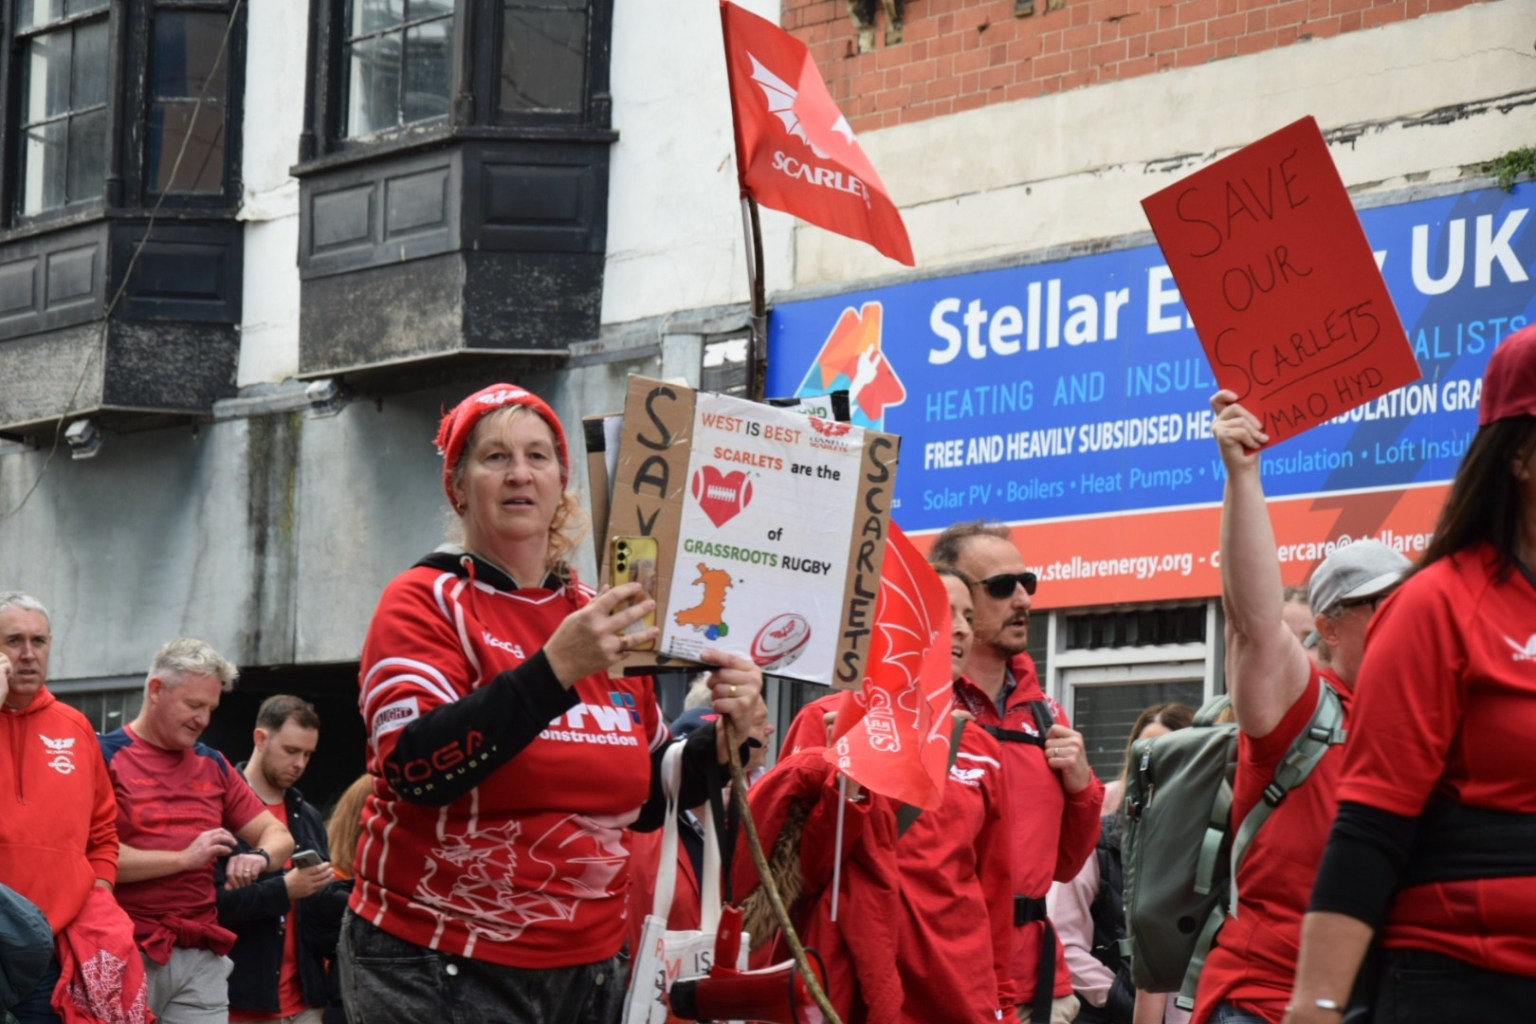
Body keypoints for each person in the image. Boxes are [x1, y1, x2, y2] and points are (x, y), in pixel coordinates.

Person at [338, 383, 766, 1024]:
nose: (519, 475)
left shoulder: (605, 613)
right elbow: (413, 769)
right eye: (494, 458)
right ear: (457, 487)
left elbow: (645, 802)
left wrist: (722, 743)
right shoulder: (423, 598)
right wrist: (555, 670)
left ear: (564, 482)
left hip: (588, 965)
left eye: (538, 457)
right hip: (436, 958)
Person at [1284, 325, 1536, 1023]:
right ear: (1518, 454)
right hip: (1461, 983)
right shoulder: (1438, 606)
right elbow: (1372, 825)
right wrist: (1317, 1005)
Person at [1193, 390, 1412, 1024]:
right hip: (1267, 1005)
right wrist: (1243, 475)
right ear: (1330, 627)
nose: (1405, 616)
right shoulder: (1304, 707)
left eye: (1412, 600)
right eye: (1382, 605)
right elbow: (1254, 621)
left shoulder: (1426, 722)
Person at [735, 565, 1017, 1022]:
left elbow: (993, 887)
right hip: (847, 976)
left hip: (953, 984)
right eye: (945, 614)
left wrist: (1002, 997)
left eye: (968, 615)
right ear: (898, 623)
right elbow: (800, 868)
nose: (963, 629)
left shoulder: (981, 747)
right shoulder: (825, 720)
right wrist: (845, 771)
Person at [929, 521, 1104, 1024]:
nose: (1023, 600)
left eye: (1027, 583)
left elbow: (1066, 867)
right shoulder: (920, 711)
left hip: (1037, 987)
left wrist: (1081, 789)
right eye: (1003, 588)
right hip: (945, 978)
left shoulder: (1047, 714)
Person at [102, 639, 295, 1024]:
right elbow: (94, 859)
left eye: (211, 708)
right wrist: (184, 859)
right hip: (125, 948)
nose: (203, 720)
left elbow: (280, 836)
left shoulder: (213, 763)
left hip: (201, 952)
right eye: (193, 705)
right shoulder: (105, 755)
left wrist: (258, 858)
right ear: (156, 690)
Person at [0, 592, 146, 1024]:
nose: (28, 655)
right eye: (14, 641)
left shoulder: (75, 725)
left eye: (39, 642)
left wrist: (97, 890)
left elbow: (102, 831)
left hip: (53, 949)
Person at [1049, 702, 1195, 1024]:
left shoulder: (1213, 844)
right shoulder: (1100, 834)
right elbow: (1065, 942)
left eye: (1167, 757)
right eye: (1142, 756)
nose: (1151, 769)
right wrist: (1124, 1003)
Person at [216, 696, 337, 1024]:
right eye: (291, 750)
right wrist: (285, 889)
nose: (299, 763)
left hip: (306, 1000)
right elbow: (212, 905)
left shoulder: (308, 815)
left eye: (308, 754)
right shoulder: (219, 808)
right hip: (239, 1000)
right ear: (260, 738)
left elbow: (315, 913)